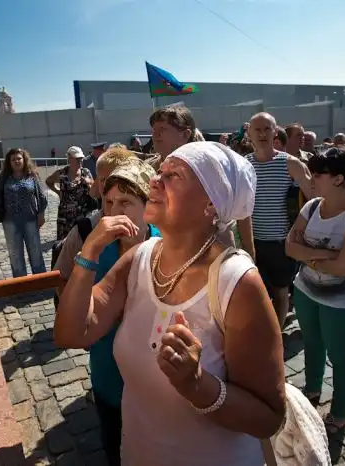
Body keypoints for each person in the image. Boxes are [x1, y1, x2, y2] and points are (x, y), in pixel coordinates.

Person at [55, 141, 285, 466]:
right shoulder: (138, 258)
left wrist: (196, 384)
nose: (154, 181)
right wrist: (88, 253)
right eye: (159, 172)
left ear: (211, 202)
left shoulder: (238, 282)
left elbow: (269, 417)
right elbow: (71, 333)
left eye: (173, 175)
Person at [66, 158, 160, 466]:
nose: (114, 212)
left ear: (148, 205)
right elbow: (70, 326)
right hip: (108, 378)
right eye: (108, 202)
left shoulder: (168, 246)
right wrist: (88, 253)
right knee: (115, 448)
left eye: (126, 202)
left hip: (154, 386)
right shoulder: (98, 249)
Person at [285, 146, 345, 440]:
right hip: (305, 291)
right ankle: (312, 390)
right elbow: (290, 247)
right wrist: (326, 254)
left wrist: (308, 255)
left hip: (342, 303)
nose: (311, 178)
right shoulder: (312, 206)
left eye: (317, 174)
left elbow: (343, 268)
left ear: (338, 179)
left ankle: (339, 412)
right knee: (312, 344)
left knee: (341, 357)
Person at [244, 112, 314, 327]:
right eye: (257, 129)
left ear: (275, 132)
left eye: (267, 129)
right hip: (252, 241)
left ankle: (278, 332)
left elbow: (314, 201)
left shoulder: (290, 163)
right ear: (249, 133)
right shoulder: (244, 164)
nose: (262, 134)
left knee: (281, 291)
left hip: (280, 242)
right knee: (257, 291)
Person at [145, 106, 248, 251]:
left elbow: (242, 211)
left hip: (213, 249)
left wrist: (250, 252)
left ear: (185, 134)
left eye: (162, 129)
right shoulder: (146, 170)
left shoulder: (212, 166)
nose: (155, 134)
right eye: (153, 129)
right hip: (165, 251)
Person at [54, 147, 139, 293]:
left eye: (121, 180)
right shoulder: (83, 232)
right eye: (106, 180)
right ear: (98, 184)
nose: (111, 187)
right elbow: (60, 281)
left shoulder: (151, 227)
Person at [0, 148, 48, 278]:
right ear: (9, 162)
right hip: (10, 222)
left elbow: (41, 196)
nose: (16, 161)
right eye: (13, 159)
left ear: (24, 160)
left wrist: (41, 214)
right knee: (15, 255)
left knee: (35, 252)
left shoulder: (32, 175)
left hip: (30, 220)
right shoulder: (3, 177)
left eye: (19, 158)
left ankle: (41, 280)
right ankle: (20, 282)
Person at [46, 146, 95, 240]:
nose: (80, 161)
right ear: (69, 159)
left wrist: (89, 182)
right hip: (65, 218)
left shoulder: (85, 172)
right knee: (65, 243)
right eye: (77, 159)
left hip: (83, 215)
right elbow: (48, 181)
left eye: (81, 158)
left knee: (85, 242)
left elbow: (94, 189)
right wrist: (58, 191)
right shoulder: (61, 174)